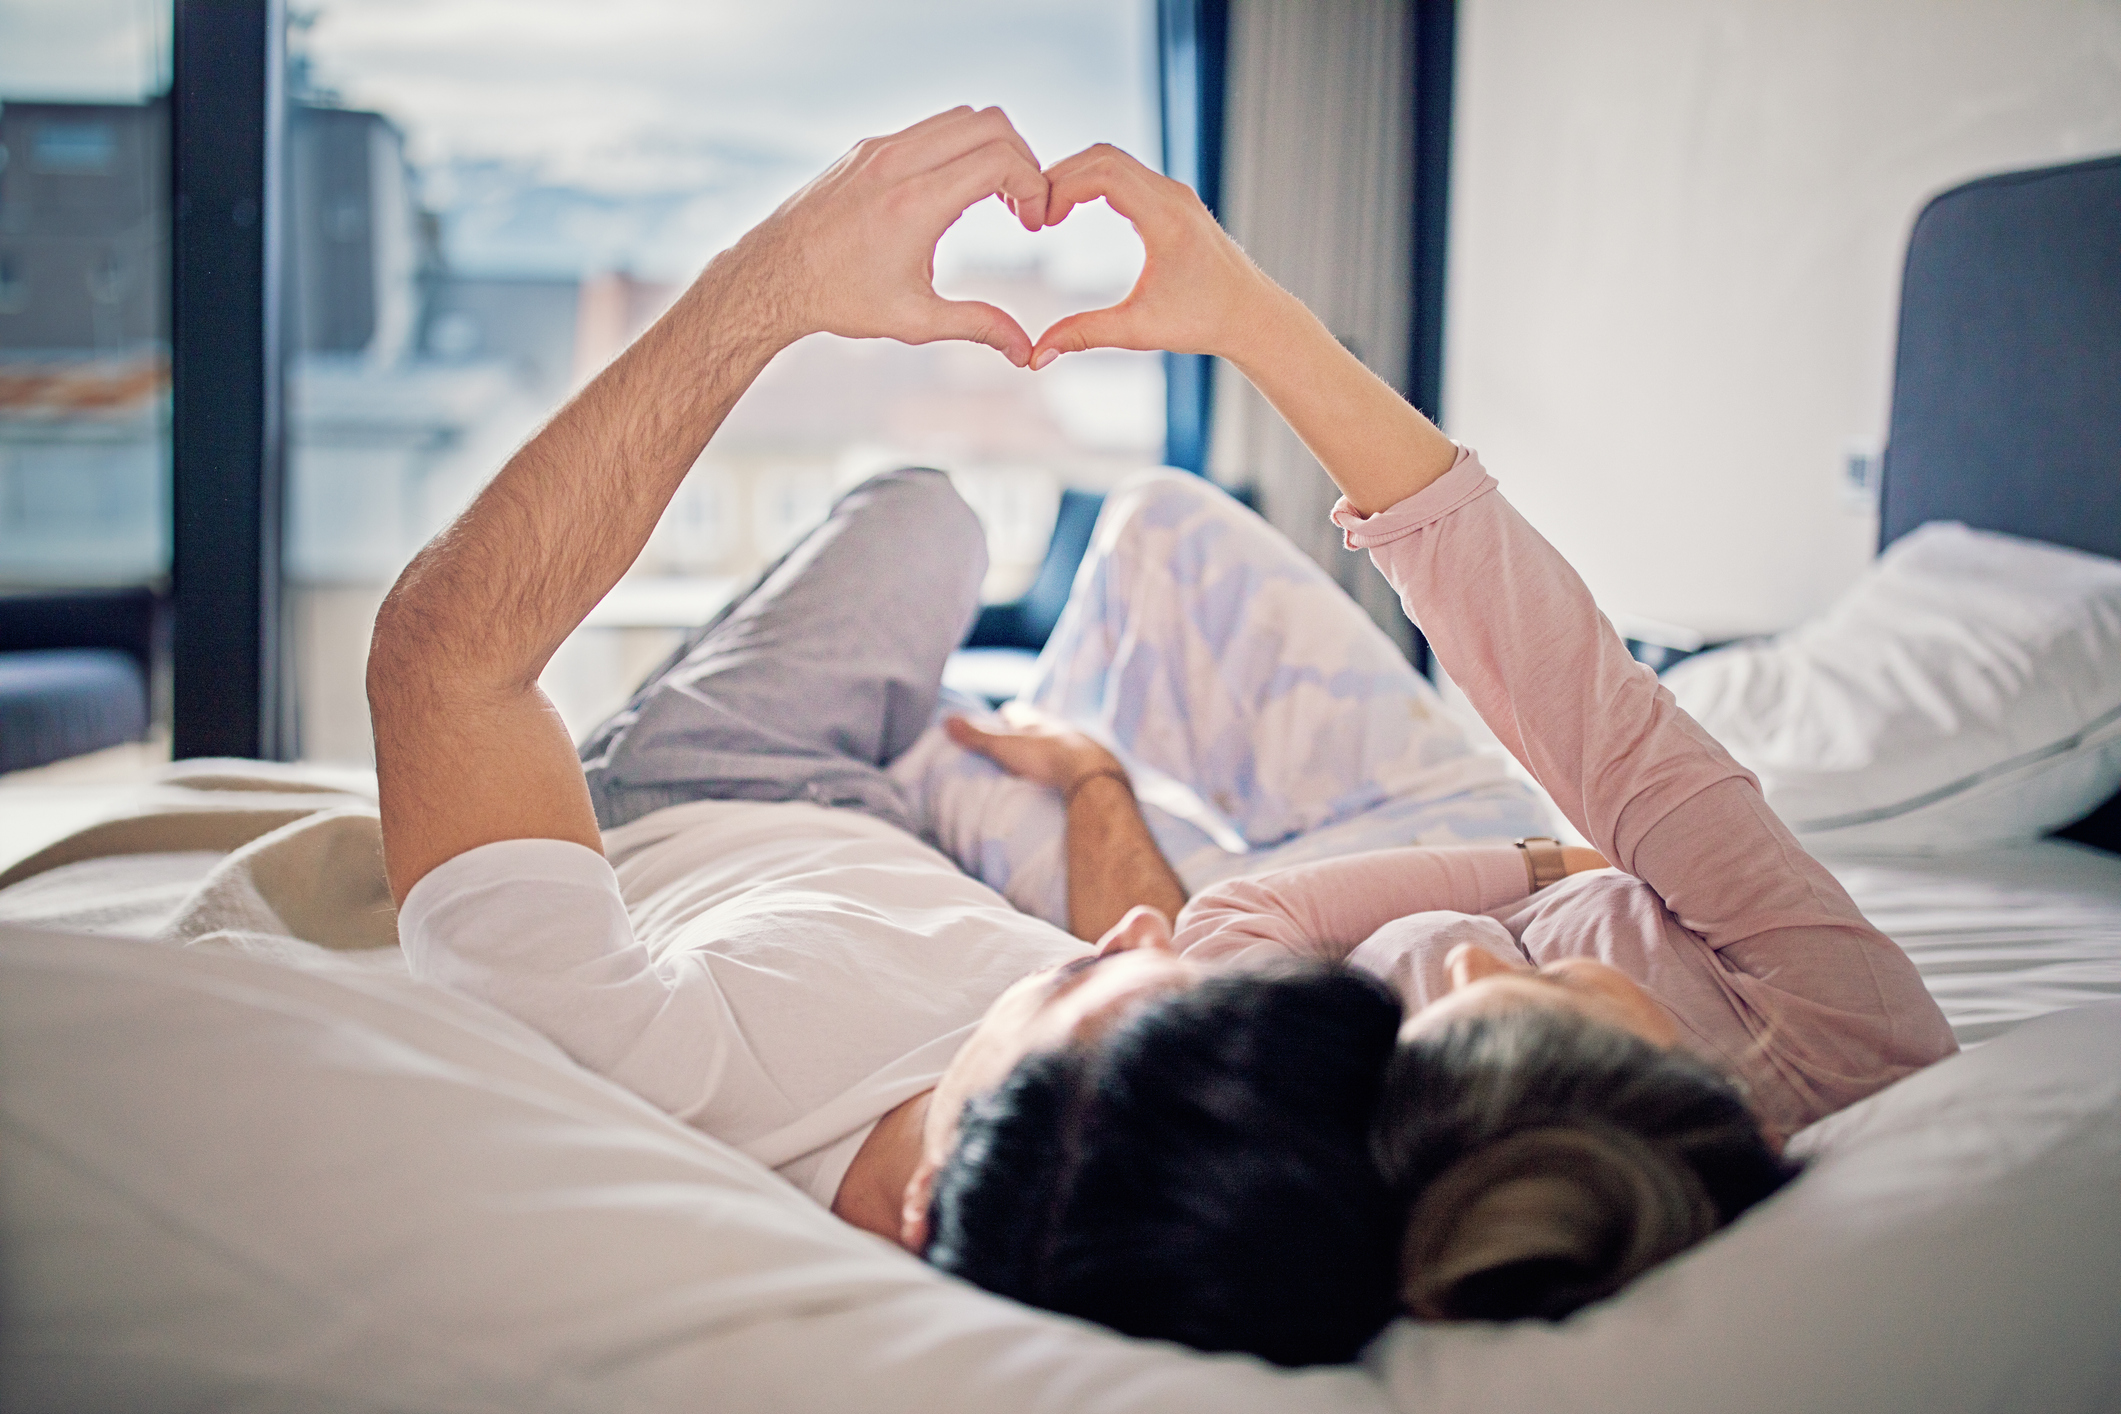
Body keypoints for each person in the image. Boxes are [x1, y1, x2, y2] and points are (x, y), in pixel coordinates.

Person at [371, 107, 1955, 1366]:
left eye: (1483, 996)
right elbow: (1197, 933)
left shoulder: (671, 1087)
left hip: (706, 796)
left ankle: (960, 715)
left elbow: (445, 666)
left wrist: (770, 286)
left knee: (923, 519)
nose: (1465, 955)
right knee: (964, 539)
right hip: (908, 843)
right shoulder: (1207, 1093)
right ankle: (1000, 720)